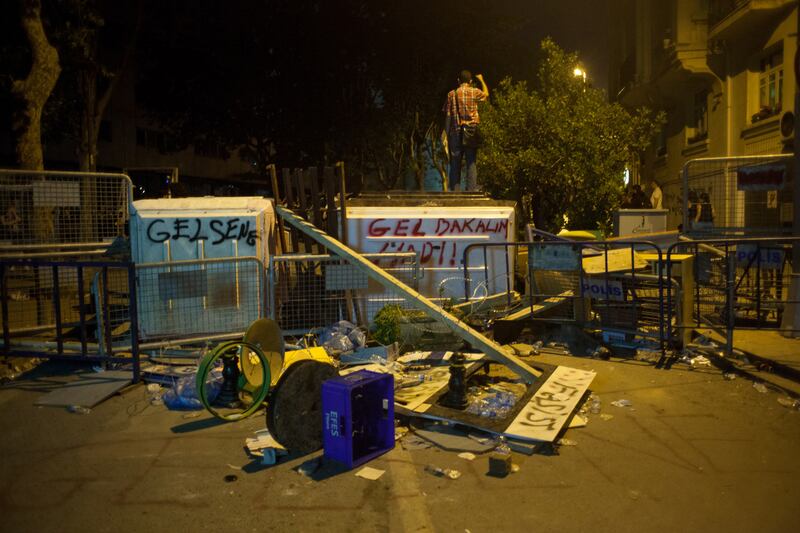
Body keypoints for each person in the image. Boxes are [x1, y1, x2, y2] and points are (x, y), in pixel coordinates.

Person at [443, 70, 489, 192]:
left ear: (458, 81)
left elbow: (448, 115)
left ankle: (455, 191)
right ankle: (471, 190)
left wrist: (446, 134)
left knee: (455, 163)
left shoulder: (451, 94)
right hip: (471, 131)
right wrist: (482, 80)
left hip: (455, 132)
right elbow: (486, 95)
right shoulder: (474, 92)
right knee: (471, 162)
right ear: (470, 82)